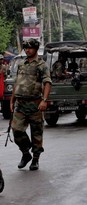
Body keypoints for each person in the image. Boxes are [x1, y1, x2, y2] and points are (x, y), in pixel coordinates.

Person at [10, 38, 52, 171]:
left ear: (35, 49)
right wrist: (12, 100)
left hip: (35, 104)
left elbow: (47, 83)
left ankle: (35, 159)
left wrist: (44, 100)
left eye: (30, 48)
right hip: (20, 104)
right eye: (26, 48)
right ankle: (25, 153)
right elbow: (17, 83)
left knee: (36, 133)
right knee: (16, 130)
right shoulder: (22, 64)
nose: (27, 50)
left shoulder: (41, 65)